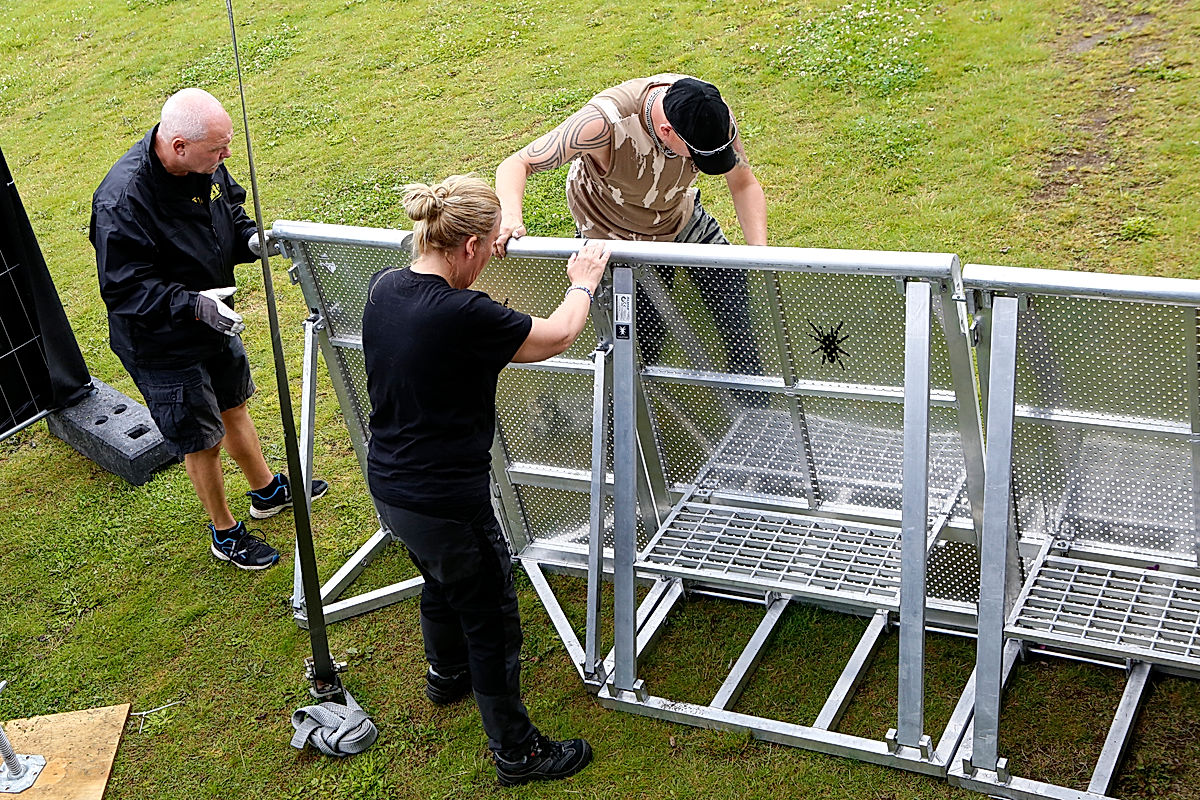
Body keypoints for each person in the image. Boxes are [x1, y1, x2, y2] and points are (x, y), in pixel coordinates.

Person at [362, 175, 607, 785]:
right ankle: (517, 752)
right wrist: (583, 282)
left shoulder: (386, 287)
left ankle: (446, 675)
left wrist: (477, 260)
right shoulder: (463, 314)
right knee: (491, 613)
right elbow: (558, 335)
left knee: (441, 578)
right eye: (491, 240)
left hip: (392, 487)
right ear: (468, 245)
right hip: (447, 497)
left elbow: (456, 311)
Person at [90, 87, 327, 572]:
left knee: (233, 404)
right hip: (161, 341)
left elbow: (229, 213)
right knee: (201, 435)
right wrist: (192, 305)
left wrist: (250, 239)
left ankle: (266, 491)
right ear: (178, 145)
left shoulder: (206, 165)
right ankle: (225, 532)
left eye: (227, 146)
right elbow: (124, 290)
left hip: (212, 319)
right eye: (218, 149)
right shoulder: (122, 202)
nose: (226, 156)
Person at [495, 74, 766, 377]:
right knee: (643, 333)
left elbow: (742, 183)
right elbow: (517, 164)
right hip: (611, 234)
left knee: (735, 303)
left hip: (678, 216)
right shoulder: (602, 124)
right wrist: (511, 218)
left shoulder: (710, 112)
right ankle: (648, 401)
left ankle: (753, 397)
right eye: (699, 157)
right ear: (667, 131)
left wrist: (761, 255)